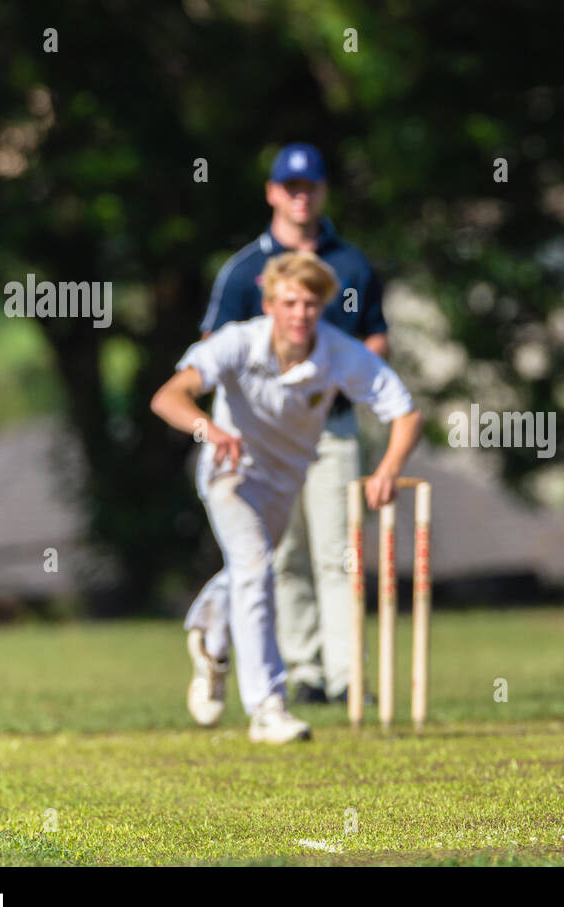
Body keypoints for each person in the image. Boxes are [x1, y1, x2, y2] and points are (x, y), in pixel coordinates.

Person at [152, 252, 421, 742]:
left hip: (286, 479)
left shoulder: (337, 352)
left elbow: (404, 411)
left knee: (248, 569)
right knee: (256, 567)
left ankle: (211, 643)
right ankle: (267, 707)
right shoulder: (238, 342)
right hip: (230, 473)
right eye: (290, 302)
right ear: (271, 304)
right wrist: (210, 430)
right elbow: (168, 396)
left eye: (311, 304)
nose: (301, 314)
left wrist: (387, 470)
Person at [201, 142, 387, 705]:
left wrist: (334, 377)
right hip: (264, 437)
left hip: (330, 428)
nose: (300, 197)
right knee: (281, 555)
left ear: (323, 191)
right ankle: (304, 669)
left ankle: (347, 674)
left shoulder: (351, 264)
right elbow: (213, 346)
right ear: (273, 193)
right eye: (290, 187)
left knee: (340, 552)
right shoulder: (246, 270)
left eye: (310, 187)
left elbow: (375, 336)